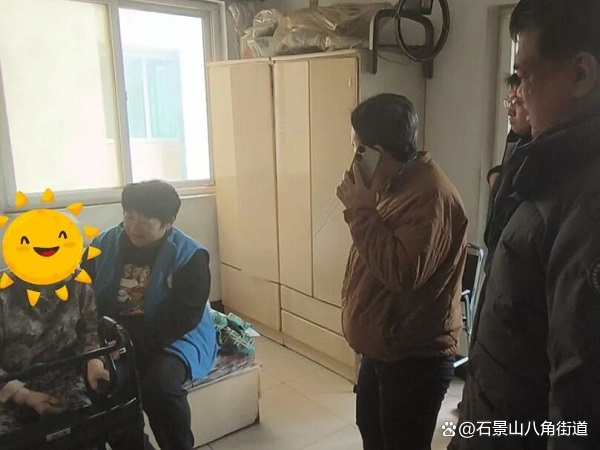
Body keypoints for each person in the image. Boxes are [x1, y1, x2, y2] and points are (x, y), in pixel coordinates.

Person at [450, 1, 600, 448]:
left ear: (580, 74)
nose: (518, 95)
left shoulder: (587, 204)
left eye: (525, 76)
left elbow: (579, 411)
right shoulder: (551, 172)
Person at [336, 93, 468, 450]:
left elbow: (401, 273)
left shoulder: (431, 195)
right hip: (384, 345)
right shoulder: (393, 184)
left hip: (414, 357)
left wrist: (361, 212)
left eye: (359, 149)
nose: (355, 159)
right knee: (371, 429)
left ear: (378, 151)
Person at [82, 180, 218, 450]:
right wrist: (99, 346)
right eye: (129, 215)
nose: (133, 226)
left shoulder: (190, 256)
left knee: (160, 387)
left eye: (144, 220)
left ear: (169, 222)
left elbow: (184, 317)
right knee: (106, 387)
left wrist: (129, 347)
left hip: (175, 336)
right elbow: (83, 299)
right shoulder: (102, 245)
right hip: (114, 334)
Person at [0, 278, 109, 436]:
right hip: (8, 388)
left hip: (66, 380)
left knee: (85, 430)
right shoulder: (4, 292)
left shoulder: (79, 284)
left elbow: (89, 332)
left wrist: (95, 364)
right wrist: (25, 396)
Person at [483, 74, 533, 273]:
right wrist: (495, 175)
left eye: (517, 103)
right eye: (509, 101)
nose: (510, 111)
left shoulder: (539, 152)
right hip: (497, 255)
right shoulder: (516, 139)